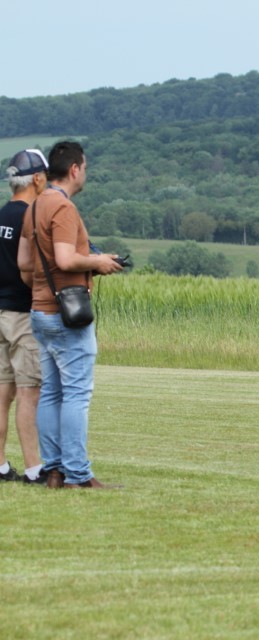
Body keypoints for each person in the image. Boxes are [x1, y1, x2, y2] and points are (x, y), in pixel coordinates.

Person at [17, 141, 124, 489]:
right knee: (77, 393)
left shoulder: (34, 206)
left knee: (51, 392)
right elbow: (64, 259)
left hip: (39, 311)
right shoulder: (62, 207)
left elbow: (24, 263)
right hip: (67, 314)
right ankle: (78, 474)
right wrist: (98, 262)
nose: (85, 173)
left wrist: (41, 289)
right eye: (85, 168)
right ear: (75, 169)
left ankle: (54, 471)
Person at [0, 150, 47, 484]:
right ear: (38, 179)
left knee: (3, 393)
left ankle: (1, 465)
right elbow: (31, 269)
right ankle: (34, 469)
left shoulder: (2, 214)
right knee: (29, 393)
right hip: (21, 314)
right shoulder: (30, 218)